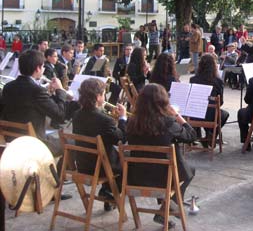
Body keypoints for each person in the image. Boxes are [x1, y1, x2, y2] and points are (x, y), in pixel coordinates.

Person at [1, 50, 73, 200]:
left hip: (12, 141)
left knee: (52, 136)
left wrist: (46, 94)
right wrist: (60, 91)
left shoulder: (8, 87)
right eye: (43, 67)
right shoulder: (36, 91)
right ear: (38, 68)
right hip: (34, 143)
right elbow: (60, 115)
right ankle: (52, 189)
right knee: (69, 143)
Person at [126, 84, 196, 228]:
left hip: (136, 177)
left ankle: (167, 205)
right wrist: (177, 116)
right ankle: (167, 207)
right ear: (163, 102)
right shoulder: (168, 122)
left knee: (171, 166)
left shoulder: (132, 121)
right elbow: (191, 136)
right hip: (163, 179)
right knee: (188, 171)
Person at [72, 78, 127, 210]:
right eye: (103, 94)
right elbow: (121, 139)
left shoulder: (77, 115)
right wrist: (122, 119)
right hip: (101, 167)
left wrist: (112, 121)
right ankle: (110, 192)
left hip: (83, 164)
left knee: (111, 155)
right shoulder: (105, 120)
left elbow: (99, 130)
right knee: (129, 161)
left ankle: (107, 191)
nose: (105, 97)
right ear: (98, 97)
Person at [189, 54, 229, 139]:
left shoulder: (193, 80)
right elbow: (220, 102)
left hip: (195, 114)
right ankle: (211, 135)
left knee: (217, 114)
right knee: (224, 114)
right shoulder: (218, 81)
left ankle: (205, 136)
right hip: (211, 115)